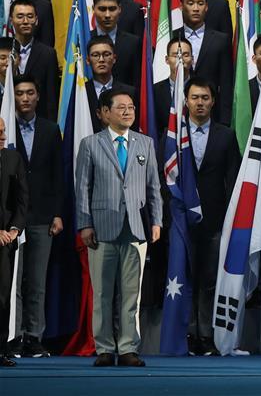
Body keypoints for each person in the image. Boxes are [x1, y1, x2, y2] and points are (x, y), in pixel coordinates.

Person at [75, 88, 162, 367]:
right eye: (121, 107)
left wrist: (157, 221)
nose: (128, 112)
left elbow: (154, 188)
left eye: (132, 107)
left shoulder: (145, 143)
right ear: (105, 113)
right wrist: (85, 223)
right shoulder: (90, 144)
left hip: (136, 228)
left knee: (131, 294)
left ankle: (127, 348)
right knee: (101, 292)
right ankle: (103, 348)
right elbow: (82, 189)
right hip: (101, 227)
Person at [182, 78, 240, 356]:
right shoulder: (173, 135)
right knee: (183, 278)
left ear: (213, 101)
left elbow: (235, 180)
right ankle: (186, 333)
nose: (200, 103)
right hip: (181, 222)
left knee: (208, 280)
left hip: (216, 221)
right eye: (195, 98)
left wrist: (231, 219)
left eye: (205, 97)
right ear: (186, 101)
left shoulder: (226, 135)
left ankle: (205, 335)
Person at [10, 75, 63, 358]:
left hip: (43, 215)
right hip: (11, 218)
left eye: (31, 92)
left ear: (38, 96)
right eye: (20, 93)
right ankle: (13, 336)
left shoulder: (51, 129)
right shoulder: (4, 126)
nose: (26, 98)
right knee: (14, 282)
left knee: (37, 281)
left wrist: (57, 214)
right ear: (13, 97)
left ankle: (34, 336)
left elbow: (58, 175)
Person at [177, 0, 234, 124]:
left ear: (207, 7)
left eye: (200, 3)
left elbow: (226, 83)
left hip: (212, 115)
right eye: (190, 3)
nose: (196, 8)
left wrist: (225, 121)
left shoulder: (221, 40)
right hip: (177, 112)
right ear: (181, 6)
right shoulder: (173, 37)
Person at [0, 117, 29, 368]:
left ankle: (1, 349)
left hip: (6, 241)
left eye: (3, 131)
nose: (2, 136)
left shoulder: (13, 158)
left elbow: (22, 199)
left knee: (2, 296)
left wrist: (14, 228)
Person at [10, 0, 58, 121]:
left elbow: (51, 99)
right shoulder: (3, 51)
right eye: (20, 16)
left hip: (38, 122)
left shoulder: (48, 54)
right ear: (11, 21)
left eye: (30, 16)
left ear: (36, 20)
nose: (25, 21)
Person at [85, 35, 135, 133]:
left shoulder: (129, 92)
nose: (101, 60)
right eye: (95, 55)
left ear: (114, 58)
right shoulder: (81, 92)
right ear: (88, 60)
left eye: (106, 54)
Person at [92, 0, 141, 88]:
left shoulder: (133, 43)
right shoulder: (84, 40)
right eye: (102, 9)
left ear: (120, 9)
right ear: (93, 9)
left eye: (112, 9)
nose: (107, 15)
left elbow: (137, 81)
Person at [153, 37, 193, 141]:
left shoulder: (202, 90)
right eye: (176, 55)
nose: (181, 60)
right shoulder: (154, 91)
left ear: (192, 59)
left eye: (185, 55)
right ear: (167, 59)